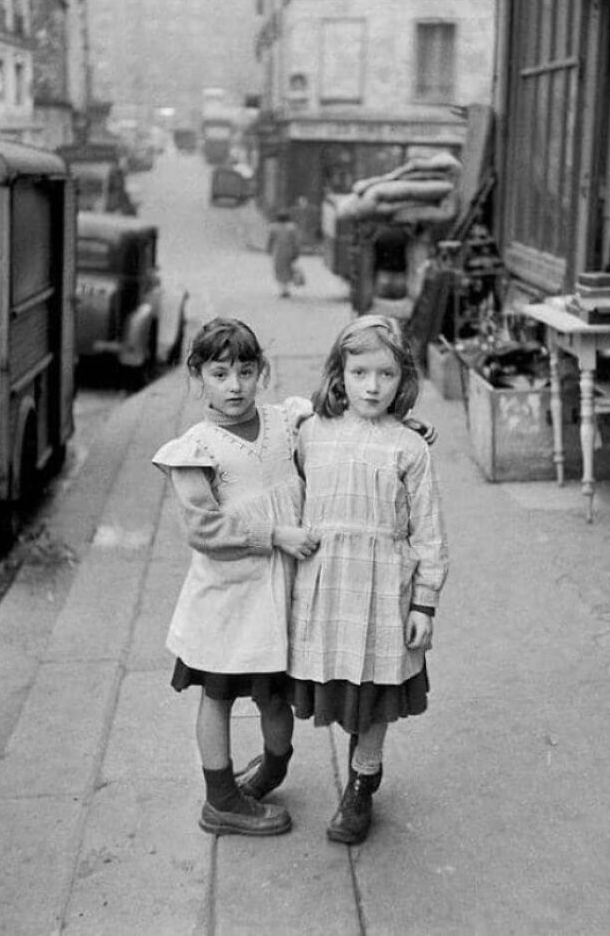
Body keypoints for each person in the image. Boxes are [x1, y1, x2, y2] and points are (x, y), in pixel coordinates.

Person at [152, 317, 319, 837]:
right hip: (227, 597)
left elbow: (340, 422)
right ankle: (221, 799)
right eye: (220, 373)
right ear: (198, 374)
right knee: (219, 693)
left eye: (247, 371)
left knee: (275, 692)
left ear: (261, 373)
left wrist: (404, 424)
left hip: (281, 592)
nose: (235, 385)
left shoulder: (284, 423)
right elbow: (205, 528)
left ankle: (272, 766)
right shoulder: (196, 449)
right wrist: (275, 535)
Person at [287, 314, 449, 845]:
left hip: (385, 590)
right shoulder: (310, 432)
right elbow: (272, 438)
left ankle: (362, 778)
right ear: (340, 374)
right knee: (339, 688)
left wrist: (424, 604)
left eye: (386, 375)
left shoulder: (409, 448)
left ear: (404, 380)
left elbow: (429, 531)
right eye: (359, 373)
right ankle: (352, 757)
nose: (373, 386)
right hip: (327, 587)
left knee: (376, 689)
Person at [267, 209, 301, 298]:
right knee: (287, 270)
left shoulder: (274, 227)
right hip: (289, 250)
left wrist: (269, 249)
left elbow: (270, 240)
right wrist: (297, 251)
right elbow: (296, 241)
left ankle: (282, 290)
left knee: (279, 270)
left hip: (278, 251)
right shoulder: (292, 228)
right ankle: (286, 289)